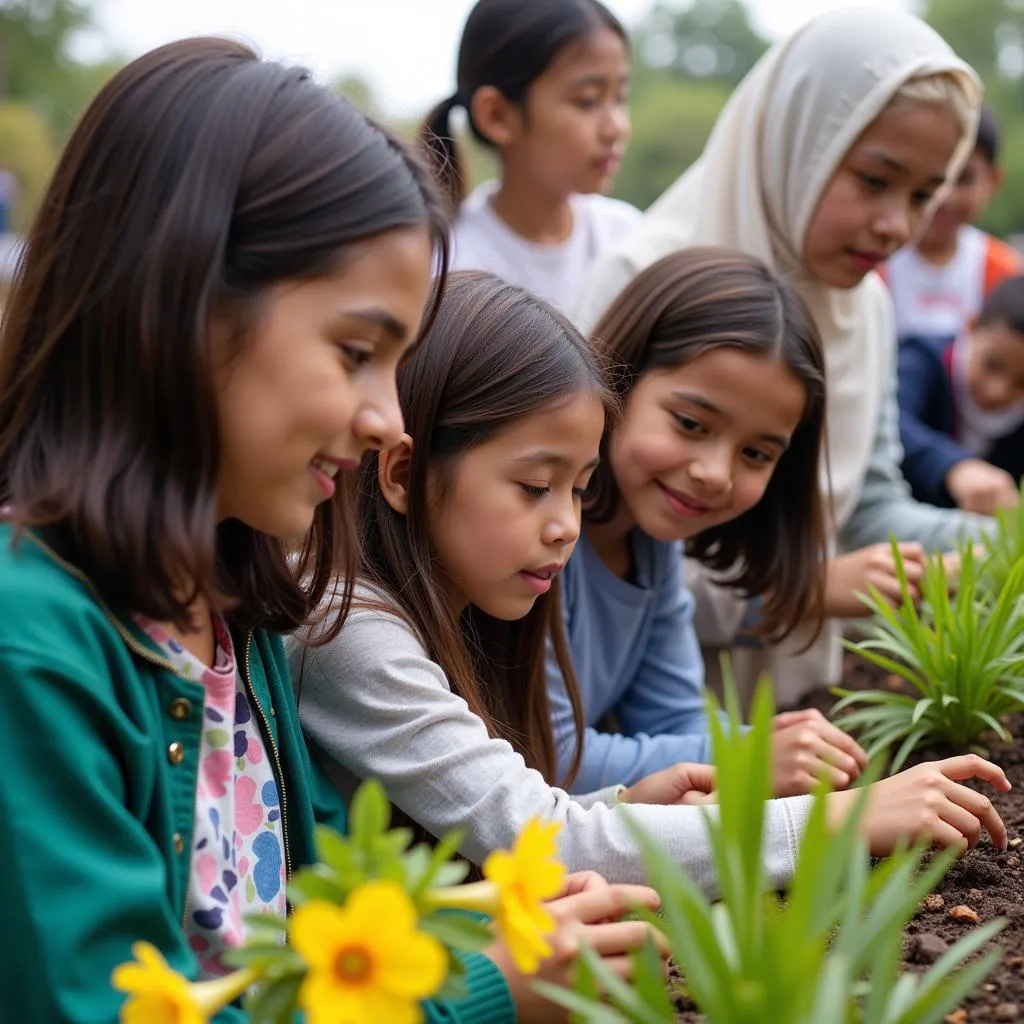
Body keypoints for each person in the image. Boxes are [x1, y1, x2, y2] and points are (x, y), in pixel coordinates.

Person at [0, 39, 661, 1024]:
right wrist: (475, 997)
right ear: (181, 305)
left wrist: (511, 895)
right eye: (356, 351)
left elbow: (294, 919)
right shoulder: (36, 650)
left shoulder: (232, 609)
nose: (389, 419)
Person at [293, 270, 1009, 897]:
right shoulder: (348, 630)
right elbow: (546, 841)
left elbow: (518, 814)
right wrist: (837, 817)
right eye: (536, 486)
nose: (566, 526)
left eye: (578, 489)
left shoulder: (479, 588)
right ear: (401, 473)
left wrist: (628, 799)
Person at [573, 7, 990, 707]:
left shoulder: (866, 307)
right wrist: (802, 591)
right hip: (619, 718)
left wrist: (984, 545)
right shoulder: (647, 281)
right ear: (800, 142)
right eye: (873, 180)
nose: (897, 225)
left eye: (924, 194)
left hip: (796, 704)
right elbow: (577, 538)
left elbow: (864, 506)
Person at [548, 247, 868, 797]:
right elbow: (546, 755)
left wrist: (772, 751)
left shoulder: (651, 547)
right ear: (618, 378)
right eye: (692, 423)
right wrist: (747, 755)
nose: (716, 473)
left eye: (756, 454)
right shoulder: (544, 542)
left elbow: (673, 721)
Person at [419, 0, 638, 313]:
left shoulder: (629, 243)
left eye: (620, 98)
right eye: (587, 101)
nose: (617, 128)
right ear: (496, 115)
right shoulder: (448, 269)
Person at [884, 106, 1021, 343]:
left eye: (964, 178)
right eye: (935, 179)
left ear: (993, 181)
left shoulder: (1005, 272)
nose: (945, 197)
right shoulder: (876, 261)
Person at [899, 273, 1024, 513]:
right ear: (972, 325)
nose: (998, 391)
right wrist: (956, 467)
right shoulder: (921, 360)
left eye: (1021, 383)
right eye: (992, 365)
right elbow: (894, 422)